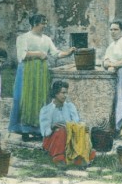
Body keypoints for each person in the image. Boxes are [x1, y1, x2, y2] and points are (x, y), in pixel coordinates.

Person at [8, 14, 75, 142]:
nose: (45, 25)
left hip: (41, 71)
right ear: (34, 24)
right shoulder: (24, 38)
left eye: (45, 23)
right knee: (25, 98)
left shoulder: (47, 39)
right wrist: (38, 54)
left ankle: (38, 129)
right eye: (42, 23)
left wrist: (68, 52)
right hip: (27, 70)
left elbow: (55, 53)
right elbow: (21, 55)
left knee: (40, 98)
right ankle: (25, 130)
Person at [39, 80, 96, 166]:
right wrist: (52, 127)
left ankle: (79, 157)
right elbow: (44, 132)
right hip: (52, 140)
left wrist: (81, 127)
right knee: (61, 130)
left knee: (82, 127)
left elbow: (76, 123)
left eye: (66, 93)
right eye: (63, 93)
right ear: (55, 93)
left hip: (69, 139)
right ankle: (58, 158)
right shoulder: (46, 110)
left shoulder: (70, 107)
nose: (65, 96)